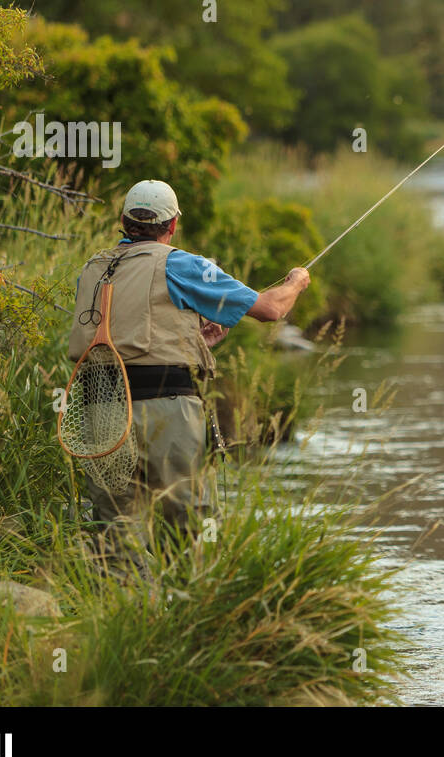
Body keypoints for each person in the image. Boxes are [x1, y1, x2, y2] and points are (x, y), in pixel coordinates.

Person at [67, 179, 309, 557]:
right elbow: (270, 309)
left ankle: (127, 607)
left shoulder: (92, 268)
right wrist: (296, 282)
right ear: (172, 225)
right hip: (166, 409)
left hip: (101, 412)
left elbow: (127, 326)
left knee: (115, 527)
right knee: (190, 522)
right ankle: (190, 606)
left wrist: (191, 335)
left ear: (124, 220)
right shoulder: (180, 262)